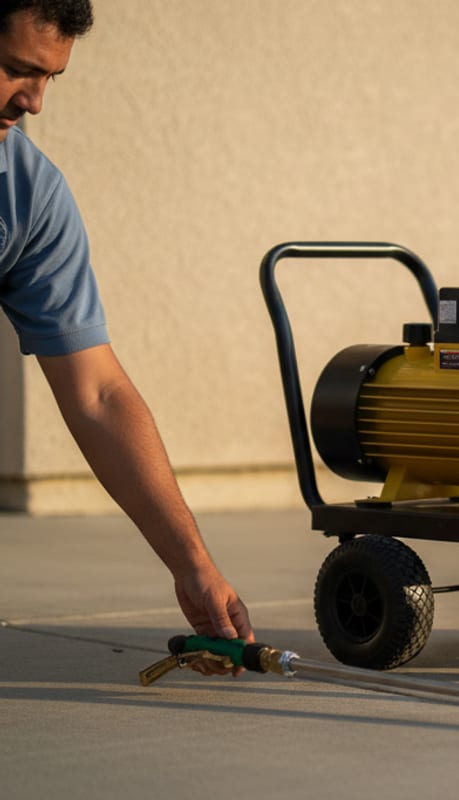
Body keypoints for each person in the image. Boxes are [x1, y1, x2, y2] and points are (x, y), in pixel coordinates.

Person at [0, 0, 254, 665]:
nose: (34, 102)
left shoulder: (28, 197)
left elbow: (99, 394)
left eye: (49, 78)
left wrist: (192, 564)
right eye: (13, 70)